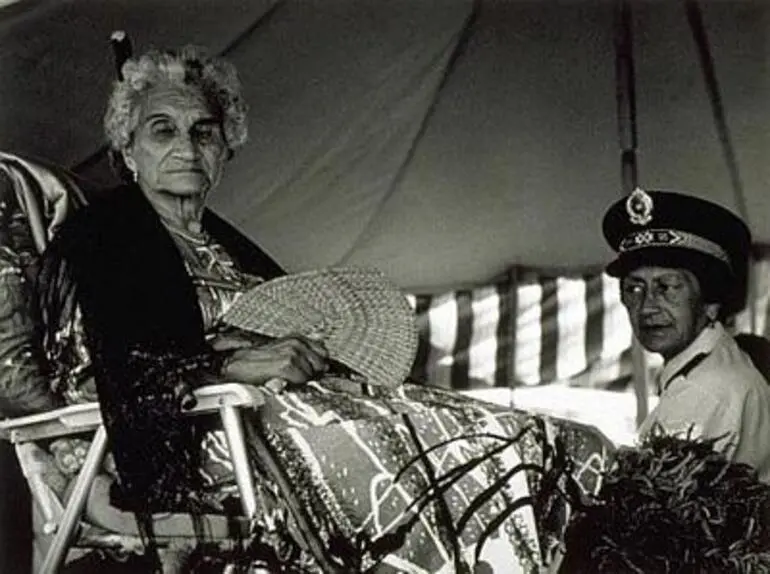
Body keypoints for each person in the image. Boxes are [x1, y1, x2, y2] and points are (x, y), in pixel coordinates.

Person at [29, 45, 613, 573]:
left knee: (539, 438)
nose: (186, 147)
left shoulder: (231, 245)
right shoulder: (101, 239)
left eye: (204, 132)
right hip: (204, 432)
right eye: (162, 131)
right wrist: (227, 368)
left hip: (295, 409)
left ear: (225, 149)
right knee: (418, 452)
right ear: (127, 148)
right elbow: (92, 374)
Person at [602, 187, 770, 482]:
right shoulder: (712, 365)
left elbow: (652, 517)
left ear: (711, 302)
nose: (647, 307)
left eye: (667, 287)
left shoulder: (704, 390)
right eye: (634, 288)